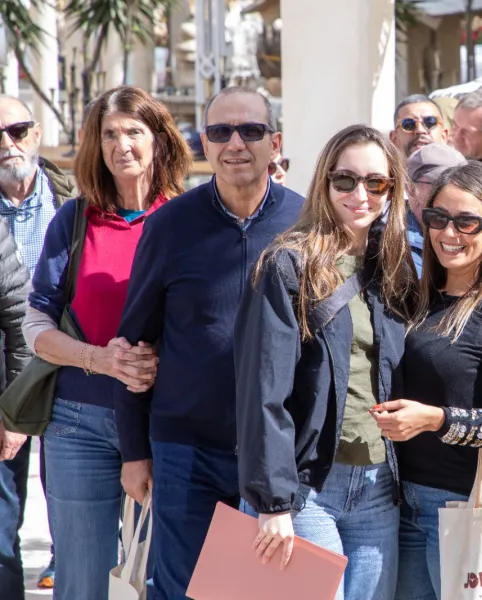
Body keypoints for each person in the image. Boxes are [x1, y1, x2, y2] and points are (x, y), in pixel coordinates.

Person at [113, 86, 304, 599]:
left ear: (275, 142)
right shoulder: (171, 225)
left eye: (251, 130)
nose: (235, 143)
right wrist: (134, 452)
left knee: (271, 594)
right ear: (204, 143)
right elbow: (133, 344)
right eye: (220, 131)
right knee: (187, 592)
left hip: (280, 453)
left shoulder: (306, 225)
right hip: (186, 450)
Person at [234, 124, 417, 600]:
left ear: (392, 189)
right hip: (309, 486)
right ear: (324, 183)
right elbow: (262, 391)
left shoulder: (395, 266)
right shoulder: (289, 265)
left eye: (376, 183)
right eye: (345, 181)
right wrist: (273, 503)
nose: (361, 194)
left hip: (379, 485)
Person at [22, 85, 189, 599]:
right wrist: (101, 360)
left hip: (169, 423)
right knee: (83, 581)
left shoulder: (189, 220)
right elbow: (37, 328)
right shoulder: (73, 221)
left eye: (134, 132)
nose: (123, 146)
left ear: (158, 140)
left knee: (165, 576)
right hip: (79, 424)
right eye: (109, 134)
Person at [378, 161, 482, 600]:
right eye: (438, 219)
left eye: (467, 221)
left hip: (464, 507)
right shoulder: (417, 299)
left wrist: (437, 420)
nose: (450, 233)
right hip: (398, 503)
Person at [0, 94, 76, 592]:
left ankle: (64, 563)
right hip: (7, 373)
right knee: (6, 500)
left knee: (72, 490)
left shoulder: (74, 202)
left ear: (38, 132)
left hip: (69, 368)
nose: (8, 144)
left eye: (18, 130)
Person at [405, 143, 467, 275]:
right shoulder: (395, 243)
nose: (452, 193)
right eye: (440, 184)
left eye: (462, 185)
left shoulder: (474, 230)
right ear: (410, 190)